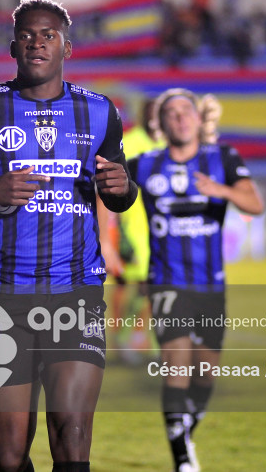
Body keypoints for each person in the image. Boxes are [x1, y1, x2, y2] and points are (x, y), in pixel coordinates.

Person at [0, 0, 138, 472]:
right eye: (27, 34)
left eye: (48, 35)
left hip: (76, 293)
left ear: (67, 47)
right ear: (12, 47)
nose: (37, 42)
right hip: (3, 298)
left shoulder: (101, 113)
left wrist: (126, 189)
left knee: (72, 438)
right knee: (9, 456)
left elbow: (119, 194)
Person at [128, 89, 264, 472]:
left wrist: (220, 191)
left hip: (211, 286)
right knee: (177, 365)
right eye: (170, 113)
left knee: (206, 373)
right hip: (166, 282)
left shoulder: (223, 158)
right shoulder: (146, 165)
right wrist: (108, 238)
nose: (180, 118)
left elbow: (255, 203)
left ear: (197, 119)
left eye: (186, 111)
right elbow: (107, 188)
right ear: (161, 124)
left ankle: (183, 429)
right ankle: (183, 460)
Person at [98, 98, 165, 363]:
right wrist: (110, 236)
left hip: (159, 228)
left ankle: (139, 336)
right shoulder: (130, 142)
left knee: (153, 286)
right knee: (127, 284)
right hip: (131, 226)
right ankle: (120, 334)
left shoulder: (167, 144)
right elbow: (108, 186)